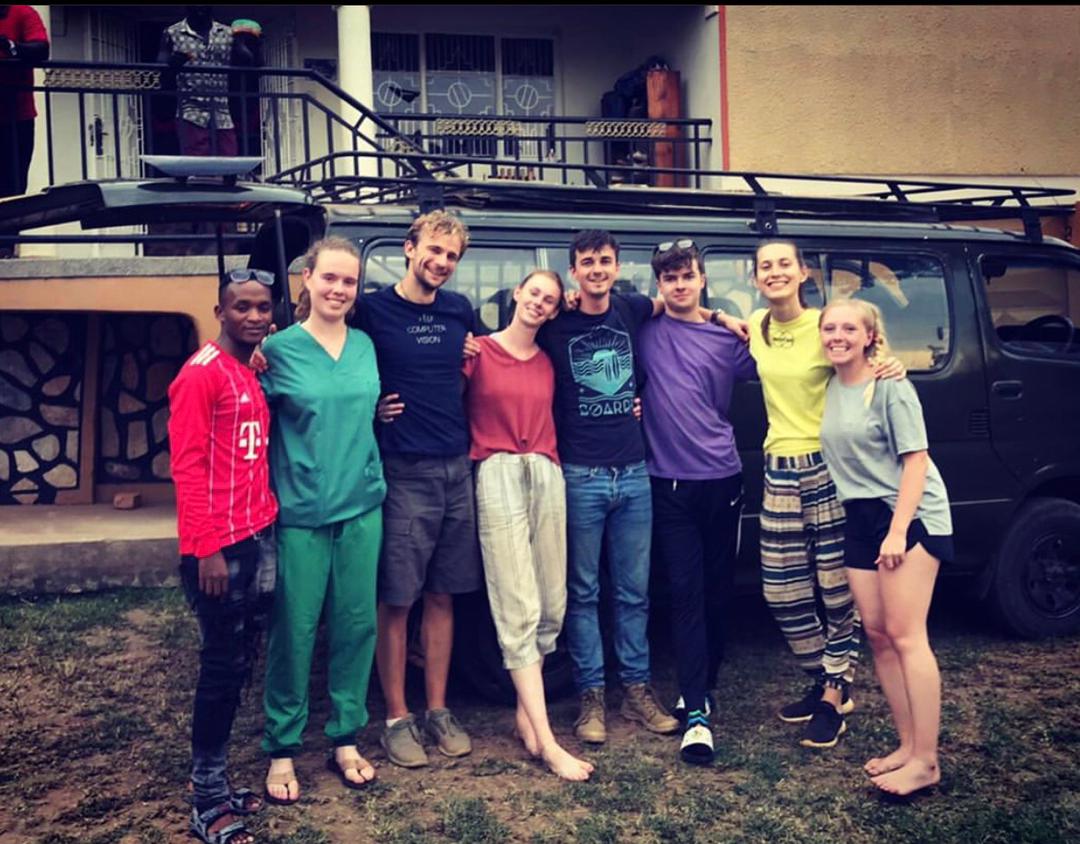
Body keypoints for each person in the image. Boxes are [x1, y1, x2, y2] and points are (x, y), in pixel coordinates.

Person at [749, 239, 903, 749]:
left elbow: (865, 353)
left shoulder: (825, 327)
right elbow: (712, 318)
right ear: (755, 278)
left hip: (828, 467)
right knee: (781, 590)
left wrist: (892, 364)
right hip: (778, 470)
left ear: (802, 274)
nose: (775, 272)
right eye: (765, 266)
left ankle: (834, 694)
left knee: (837, 589)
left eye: (784, 264)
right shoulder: (756, 324)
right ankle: (825, 675)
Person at [536, 229, 679, 744]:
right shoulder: (556, 322)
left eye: (605, 261)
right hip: (581, 475)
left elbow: (678, 302)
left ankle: (636, 691)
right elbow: (514, 338)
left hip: (633, 472)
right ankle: (591, 697)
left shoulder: (632, 308)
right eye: (587, 262)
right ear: (573, 271)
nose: (597, 269)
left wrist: (727, 319)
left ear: (617, 267)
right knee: (583, 593)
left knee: (634, 592)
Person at [259, 238, 386, 803]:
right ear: (307, 279)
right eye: (329, 277)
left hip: (362, 505)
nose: (338, 289)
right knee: (295, 629)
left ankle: (345, 736)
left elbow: (369, 410)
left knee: (357, 625)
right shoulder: (277, 350)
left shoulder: (364, 345)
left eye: (349, 281)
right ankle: (282, 744)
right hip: (301, 512)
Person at [360, 211, 482, 769]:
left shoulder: (459, 311)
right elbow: (337, 355)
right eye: (434, 250)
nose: (441, 262)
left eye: (451, 256)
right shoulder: (372, 310)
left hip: (456, 466)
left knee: (442, 595)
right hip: (404, 470)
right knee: (397, 599)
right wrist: (372, 408)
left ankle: (437, 709)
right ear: (410, 248)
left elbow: (469, 367)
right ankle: (396, 717)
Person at [462, 269, 594, 781]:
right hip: (497, 471)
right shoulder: (478, 351)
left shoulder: (547, 361)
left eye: (550, 299)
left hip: (545, 470)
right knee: (516, 602)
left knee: (551, 603)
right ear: (517, 293)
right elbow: (439, 397)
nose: (539, 302)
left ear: (556, 309)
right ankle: (549, 741)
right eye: (533, 292)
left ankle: (525, 715)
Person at [818, 298, 951, 797]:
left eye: (849, 328)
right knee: (877, 634)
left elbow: (916, 460)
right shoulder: (833, 383)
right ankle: (908, 746)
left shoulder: (891, 385)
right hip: (861, 514)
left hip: (908, 515)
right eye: (829, 328)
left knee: (906, 635)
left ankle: (927, 761)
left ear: (870, 336)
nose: (838, 336)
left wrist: (897, 531)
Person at [167, 268, 279, 844]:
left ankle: (217, 780)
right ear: (220, 312)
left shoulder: (249, 369)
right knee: (219, 667)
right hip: (219, 548)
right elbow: (186, 466)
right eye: (242, 307)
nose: (254, 316)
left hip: (258, 533)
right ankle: (207, 800)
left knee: (240, 661)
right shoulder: (200, 375)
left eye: (263, 307)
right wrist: (205, 547)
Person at [638, 240, 756, 765]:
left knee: (717, 592)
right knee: (684, 593)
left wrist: (880, 361)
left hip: (723, 478)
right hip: (668, 483)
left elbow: (787, 363)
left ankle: (700, 686)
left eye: (687, 276)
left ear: (702, 279)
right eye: (670, 278)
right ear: (659, 285)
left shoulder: (729, 337)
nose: (679, 285)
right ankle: (698, 719)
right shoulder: (645, 331)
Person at [158, 6, 255, 157]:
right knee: (196, 160)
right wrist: (172, 63)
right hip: (190, 109)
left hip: (221, 109)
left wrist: (246, 44)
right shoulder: (172, 32)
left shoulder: (228, 32)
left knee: (229, 159)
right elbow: (159, 68)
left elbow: (248, 63)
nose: (200, 8)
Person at [0, 4, 49, 202]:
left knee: (12, 187)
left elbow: (41, 50)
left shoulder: (22, 12)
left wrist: (10, 46)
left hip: (15, 115)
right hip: (14, 113)